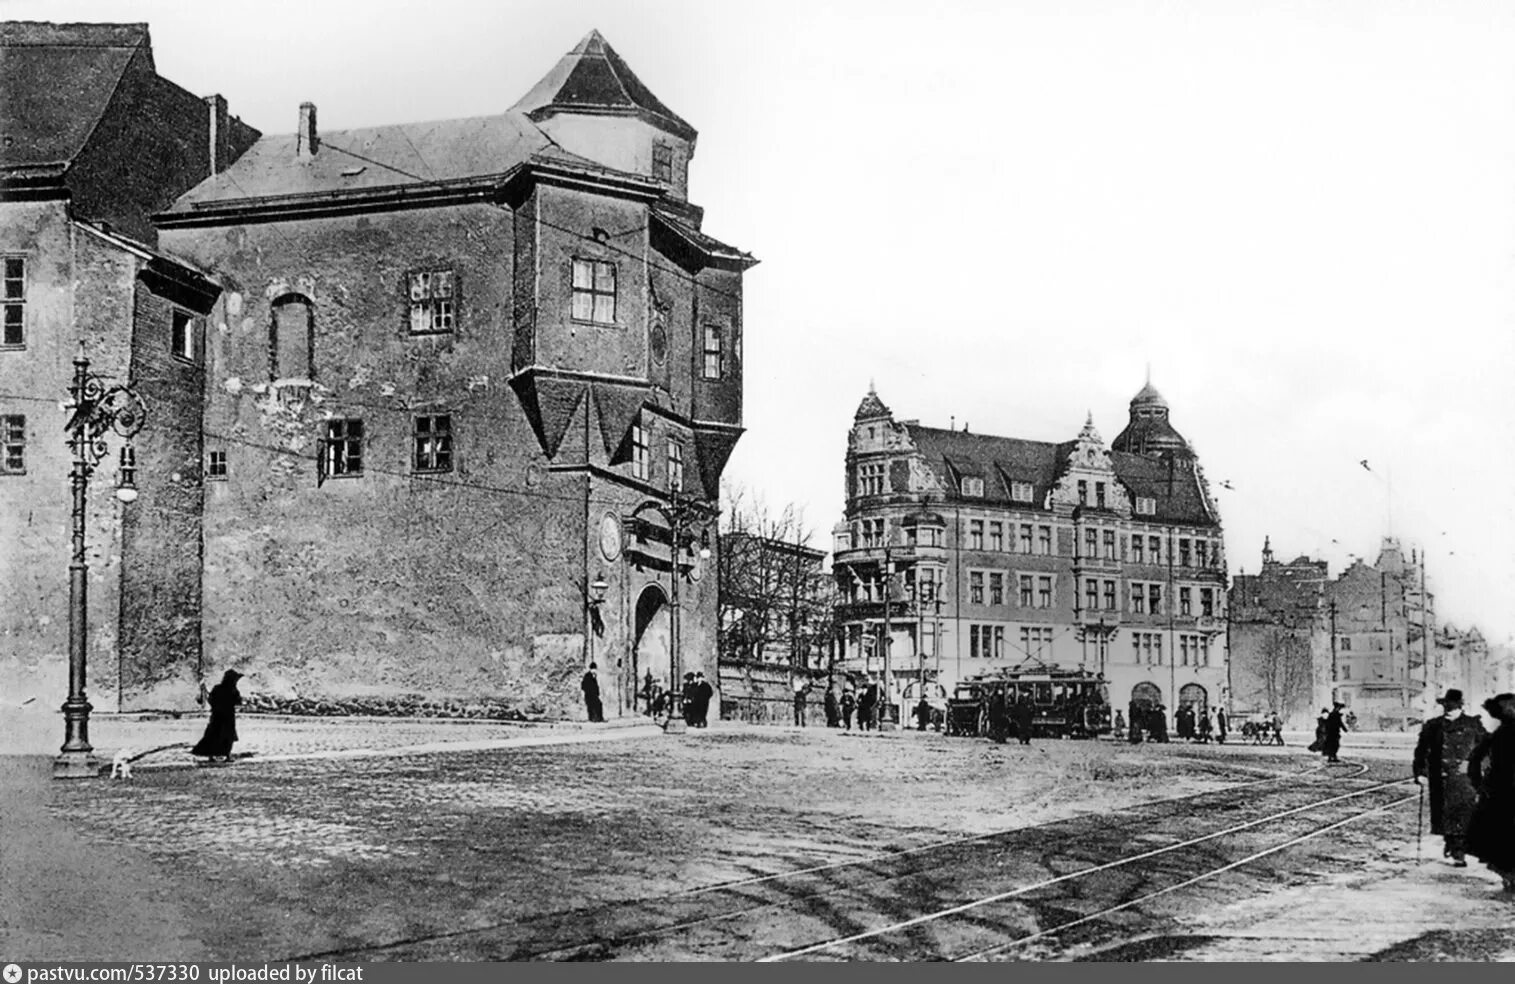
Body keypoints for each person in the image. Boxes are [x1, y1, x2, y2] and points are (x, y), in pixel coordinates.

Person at [1413, 689, 1486, 866]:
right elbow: (1421, 751)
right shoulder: (1433, 725)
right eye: (1446, 706)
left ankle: (1458, 852)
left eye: (1452, 707)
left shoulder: (1473, 725)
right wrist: (1421, 772)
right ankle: (1451, 844)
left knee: (1463, 816)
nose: (1448, 710)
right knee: (1445, 817)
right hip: (1440, 778)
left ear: (1460, 707)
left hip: (1464, 778)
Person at [1467, 693, 1515, 892]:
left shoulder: (1499, 733)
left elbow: (1474, 760)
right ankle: (1509, 876)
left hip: (1499, 793)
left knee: (1499, 838)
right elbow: (1475, 760)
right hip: (1502, 793)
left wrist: (1479, 785)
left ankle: (1509, 875)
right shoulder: (1501, 733)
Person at [192, 669, 244, 762]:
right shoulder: (233, 690)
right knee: (228, 736)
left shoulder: (217, 688)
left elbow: (211, 700)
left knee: (213, 735)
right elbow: (238, 702)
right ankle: (227, 755)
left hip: (217, 716)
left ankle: (211, 755)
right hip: (228, 717)